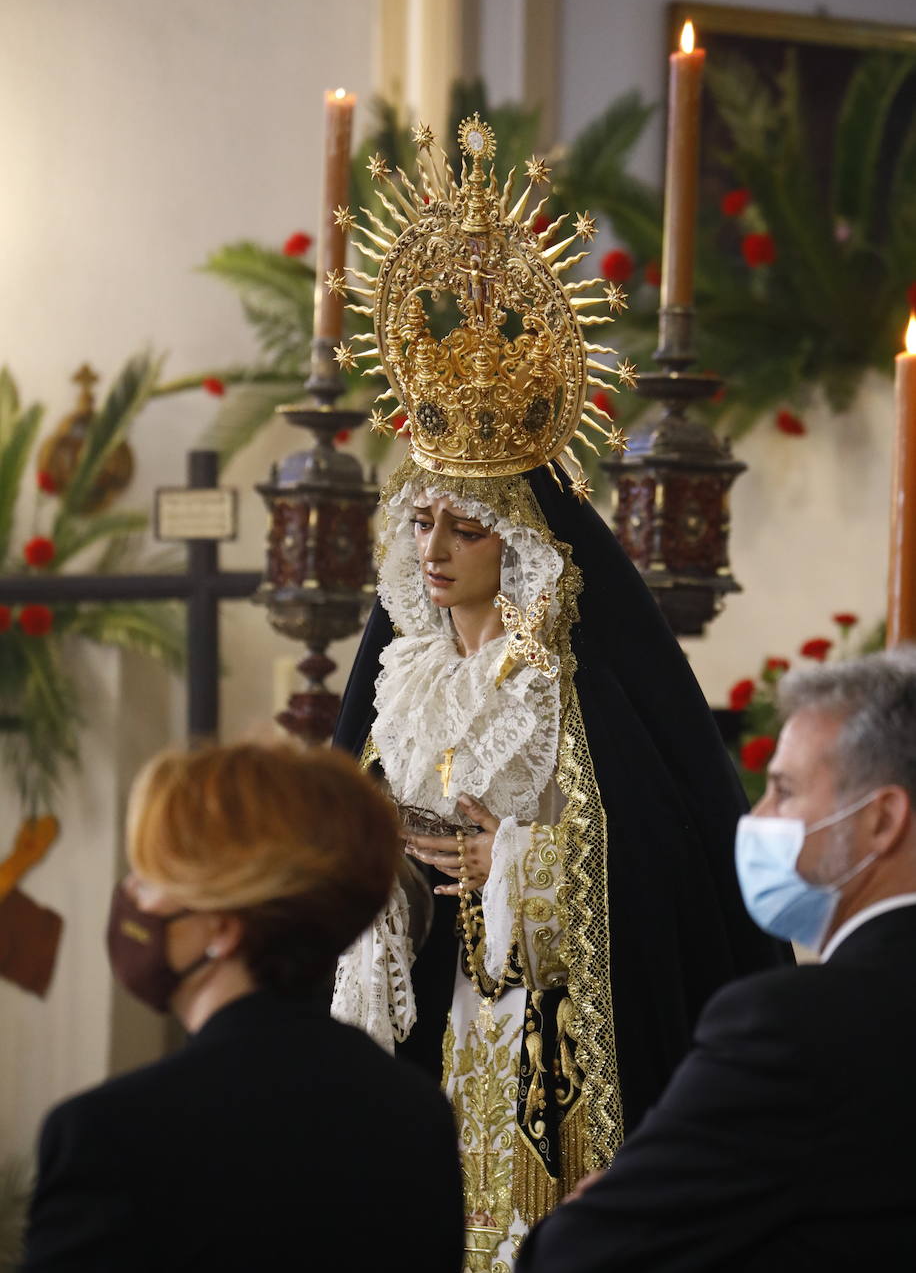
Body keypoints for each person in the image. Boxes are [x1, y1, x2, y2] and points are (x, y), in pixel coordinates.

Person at [328, 114, 785, 1269]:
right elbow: (340, 819)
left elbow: (674, 857)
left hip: (546, 1044)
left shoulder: (577, 685)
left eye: (466, 524)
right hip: (422, 1014)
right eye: (421, 519)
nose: (436, 548)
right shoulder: (404, 674)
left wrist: (515, 870)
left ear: (517, 538)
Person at [515, 647, 916, 1272]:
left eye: (782, 792)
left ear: (883, 820)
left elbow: (577, 1257)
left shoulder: (794, 1029)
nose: (755, 818)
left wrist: (602, 1208)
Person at [23, 741, 464, 1273]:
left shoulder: (108, 1134)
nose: (131, 895)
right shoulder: (418, 1114)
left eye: (153, 878)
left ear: (223, 931)